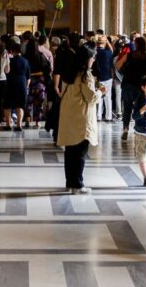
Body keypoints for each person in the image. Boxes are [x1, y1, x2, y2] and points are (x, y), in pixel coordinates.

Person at [56, 46, 101, 194]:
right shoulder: (85, 75)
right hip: (81, 117)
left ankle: (70, 182)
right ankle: (78, 185)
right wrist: (101, 91)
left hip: (69, 116)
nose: (94, 60)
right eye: (92, 57)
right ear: (86, 59)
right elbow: (91, 97)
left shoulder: (69, 73)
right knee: (80, 153)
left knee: (70, 152)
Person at [117, 36, 146, 140]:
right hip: (141, 87)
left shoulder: (129, 55)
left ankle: (125, 129)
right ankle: (139, 129)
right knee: (139, 108)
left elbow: (117, 65)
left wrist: (125, 70)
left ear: (135, 45)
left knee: (127, 108)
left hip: (128, 84)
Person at [3, 37, 30, 131]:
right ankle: (19, 125)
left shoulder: (10, 60)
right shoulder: (26, 61)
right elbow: (28, 77)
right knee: (20, 105)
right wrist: (26, 86)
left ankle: (8, 124)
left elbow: (6, 71)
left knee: (7, 105)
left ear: (12, 51)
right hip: (22, 83)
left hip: (10, 83)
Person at [93, 35, 115, 121]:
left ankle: (98, 116)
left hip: (97, 77)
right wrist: (107, 42)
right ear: (105, 43)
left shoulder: (94, 52)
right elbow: (112, 66)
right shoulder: (108, 53)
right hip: (107, 76)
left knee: (98, 96)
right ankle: (108, 116)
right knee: (108, 97)